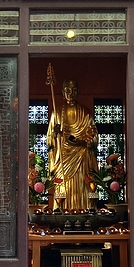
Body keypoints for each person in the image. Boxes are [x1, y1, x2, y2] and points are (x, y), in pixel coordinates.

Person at [47, 79, 98, 211]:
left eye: (74, 90)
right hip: (63, 157)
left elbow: (93, 136)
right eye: (67, 91)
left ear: (78, 92)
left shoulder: (86, 113)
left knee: (83, 183)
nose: (70, 94)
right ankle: (61, 212)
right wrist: (55, 134)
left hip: (81, 157)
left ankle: (85, 211)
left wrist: (81, 141)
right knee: (62, 186)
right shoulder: (56, 113)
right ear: (63, 93)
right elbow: (50, 140)